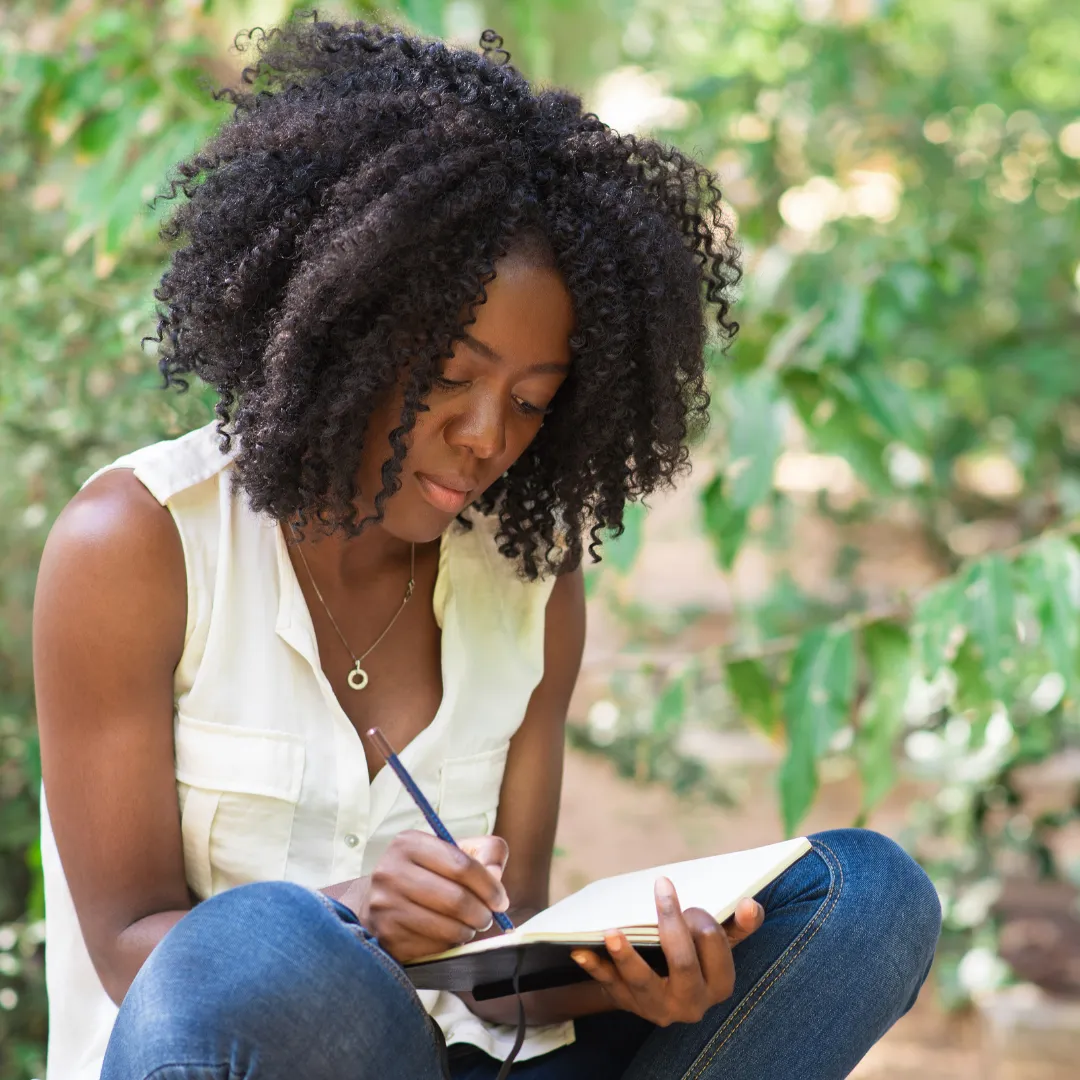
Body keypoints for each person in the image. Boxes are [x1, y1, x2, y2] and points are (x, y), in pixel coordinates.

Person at [33, 14, 941, 1080]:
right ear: (346, 327)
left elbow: (512, 957)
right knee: (266, 945)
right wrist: (355, 918)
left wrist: (638, 978)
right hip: (247, 1048)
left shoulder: (528, 578)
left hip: (479, 1063)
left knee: (868, 898)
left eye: (532, 402)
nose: (486, 436)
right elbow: (130, 947)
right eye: (451, 379)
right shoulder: (138, 544)